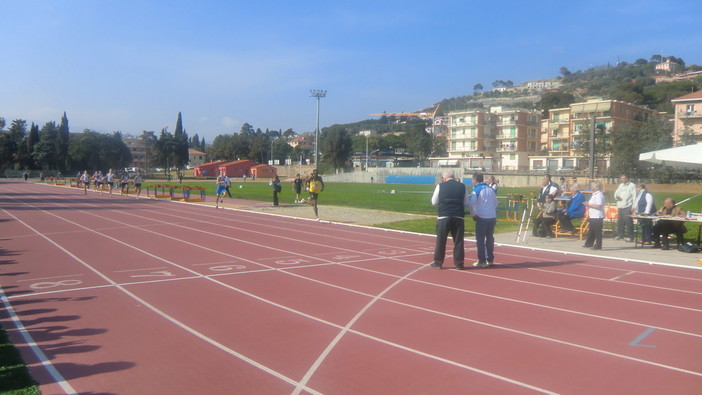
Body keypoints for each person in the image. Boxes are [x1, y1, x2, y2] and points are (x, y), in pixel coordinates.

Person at [430, 171, 469, 270]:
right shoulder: (462, 186)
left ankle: (438, 262)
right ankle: (459, 263)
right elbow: (466, 202)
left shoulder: (440, 186)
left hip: (444, 216)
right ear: (454, 177)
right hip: (458, 217)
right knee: (458, 241)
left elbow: (434, 202)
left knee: (441, 240)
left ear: (444, 178)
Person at [469, 173, 498, 268]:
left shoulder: (476, 190)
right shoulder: (491, 189)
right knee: (490, 238)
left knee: (480, 240)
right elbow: (496, 203)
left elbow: (472, 204)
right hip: (492, 217)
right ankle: (490, 259)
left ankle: (482, 260)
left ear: (475, 180)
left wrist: (473, 214)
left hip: (482, 217)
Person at [583, 181, 606, 250]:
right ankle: (589, 243)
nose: (591, 188)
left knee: (597, 231)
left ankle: (598, 245)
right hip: (593, 215)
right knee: (591, 230)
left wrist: (589, 204)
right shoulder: (594, 194)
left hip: (597, 215)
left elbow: (599, 205)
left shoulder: (599, 195)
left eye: (592, 187)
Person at [614, 174, 636, 241]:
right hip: (620, 205)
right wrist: (616, 197)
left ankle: (630, 236)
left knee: (628, 222)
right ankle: (620, 235)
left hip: (627, 206)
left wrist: (634, 206)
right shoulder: (621, 185)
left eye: (623, 178)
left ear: (627, 178)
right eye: (621, 178)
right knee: (620, 222)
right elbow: (616, 193)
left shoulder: (632, 185)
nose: (622, 179)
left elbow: (634, 195)